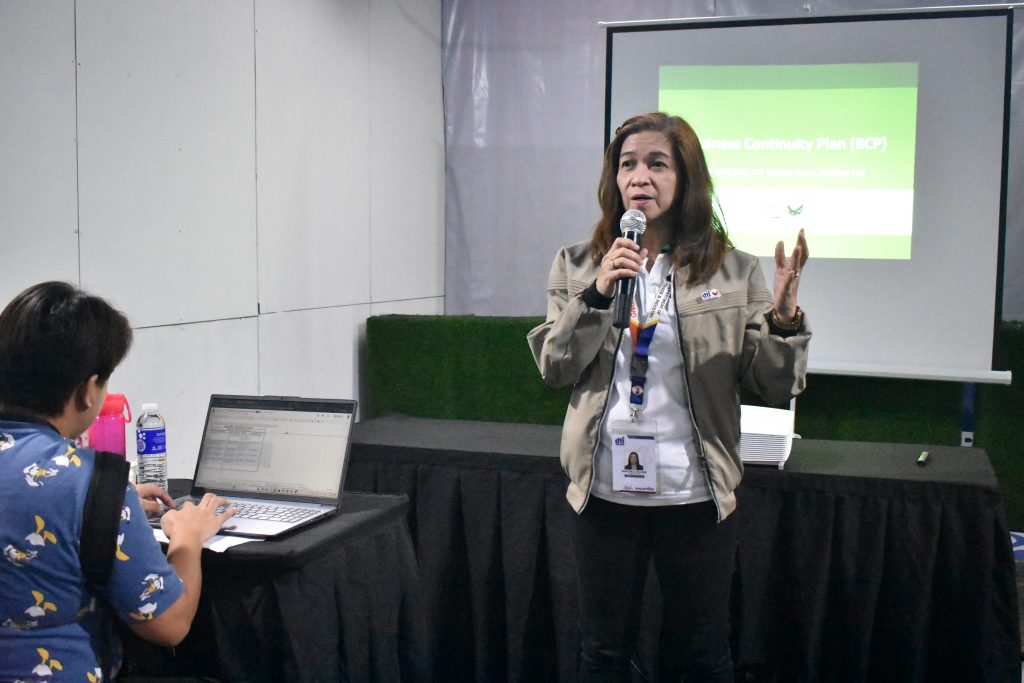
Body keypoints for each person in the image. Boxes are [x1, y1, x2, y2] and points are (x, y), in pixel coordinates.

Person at [527, 112, 810, 681]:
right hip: (604, 493)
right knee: (602, 653)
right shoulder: (578, 264)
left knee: (702, 657)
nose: (641, 176)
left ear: (686, 179)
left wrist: (782, 320)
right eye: (628, 164)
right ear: (614, 180)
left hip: (695, 495)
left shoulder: (734, 270)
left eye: (658, 163)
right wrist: (599, 292)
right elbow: (556, 367)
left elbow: (773, 383)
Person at [0, 281, 236, 680]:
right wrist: (187, 539)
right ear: (89, 391)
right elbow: (169, 624)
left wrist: (109, 510)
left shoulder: (101, 492)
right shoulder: (94, 484)